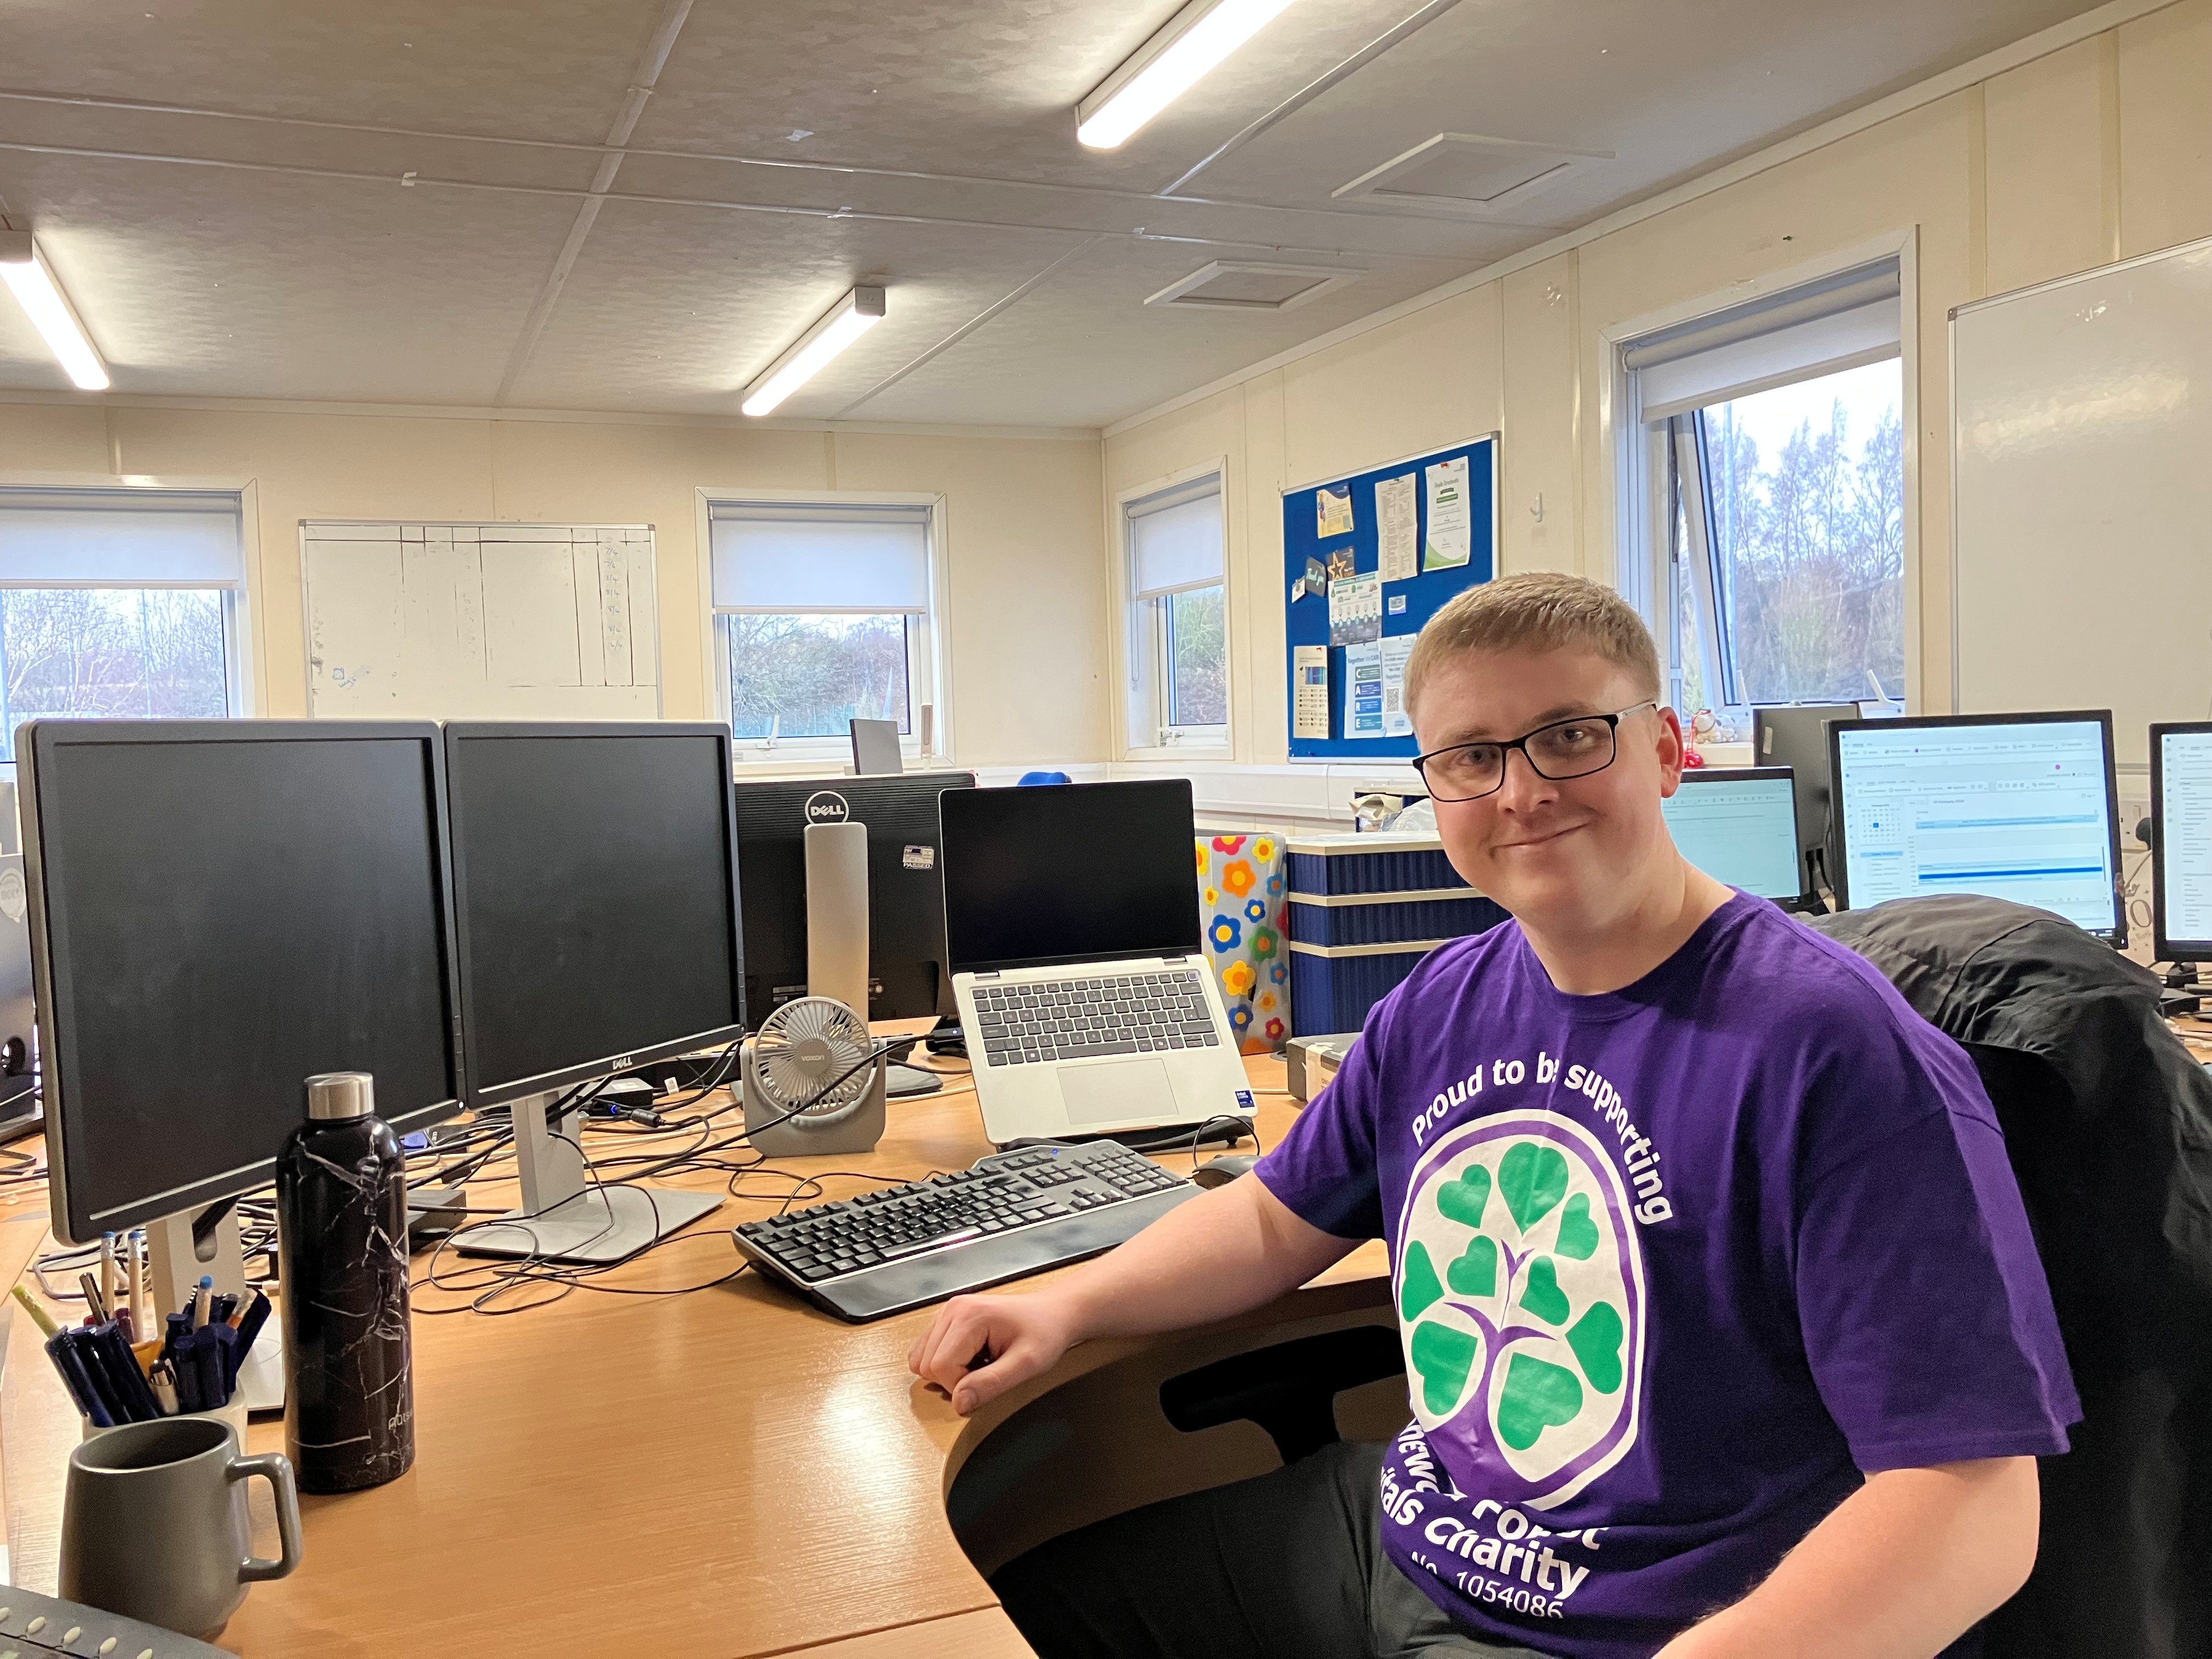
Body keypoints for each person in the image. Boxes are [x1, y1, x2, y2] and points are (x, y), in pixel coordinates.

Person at [910, 573, 2078, 1659]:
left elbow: (1973, 1511)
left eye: (1572, 735)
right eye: (1471, 757)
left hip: (1634, 1625)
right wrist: (1065, 1304)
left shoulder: (1837, 1054)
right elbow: (1274, 1220)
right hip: (1406, 1530)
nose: (1522, 791)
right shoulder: (1443, 1001)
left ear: (1666, 752)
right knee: (1009, 1612)